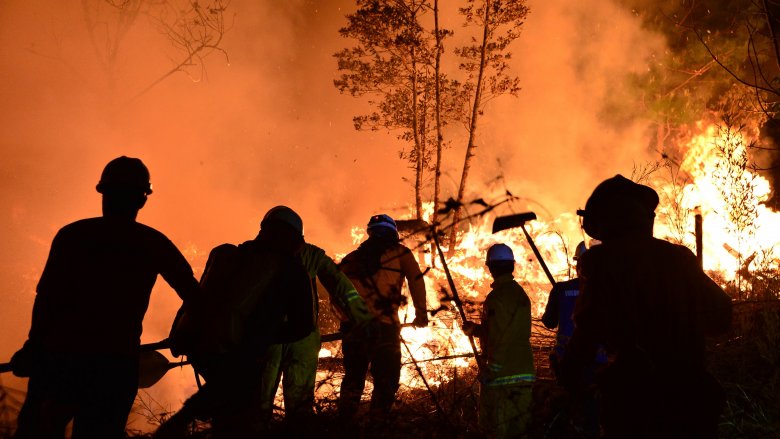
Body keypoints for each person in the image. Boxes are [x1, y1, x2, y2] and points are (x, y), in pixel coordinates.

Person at [10, 156, 199, 439]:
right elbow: (196, 297)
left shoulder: (72, 236)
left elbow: (47, 298)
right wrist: (186, 335)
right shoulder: (153, 243)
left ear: (103, 193)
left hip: (59, 361)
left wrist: (33, 347)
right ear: (142, 200)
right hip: (113, 367)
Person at [563, 174, 733, 439]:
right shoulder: (680, 259)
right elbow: (721, 318)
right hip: (691, 403)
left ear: (603, 223)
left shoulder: (604, 266)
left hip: (635, 406)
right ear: (645, 218)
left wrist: (569, 376)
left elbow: (587, 336)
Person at [154, 205, 317, 438]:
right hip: (242, 358)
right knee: (241, 422)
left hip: (203, 350)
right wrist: (266, 336)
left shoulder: (225, 255)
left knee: (222, 410)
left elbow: (195, 299)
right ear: (294, 239)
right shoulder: (291, 269)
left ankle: (183, 421)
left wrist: (178, 337)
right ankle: (180, 423)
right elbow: (303, 326)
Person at [256, 206, 374, 431]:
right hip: (303, 337)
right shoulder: (311, 254)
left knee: (258, 404)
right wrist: (364, 319)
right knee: (299, 406)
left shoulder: (253, 254)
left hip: (266, 338)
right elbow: (343, 289)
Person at [337, 214, 428, 426]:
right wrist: (421, 314)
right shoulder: (401, 253)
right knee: (386, 378)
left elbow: (337, 293)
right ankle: (378, 424)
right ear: (392, 233)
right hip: (384, 328)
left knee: (353, 377)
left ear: (370, 232)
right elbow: (416, 282)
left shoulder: (351, 258)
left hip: (354, 329)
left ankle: (344, 424)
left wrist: (345, 320)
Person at [463, 243, 535, 439]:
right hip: (524, 371)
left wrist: (492, 369)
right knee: (520, 431)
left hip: (503, 377)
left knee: (495, 430)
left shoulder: (497, 298)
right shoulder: (519, 294)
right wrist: (476, 330)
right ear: (512, 265)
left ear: (490, 267)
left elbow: (501, 336)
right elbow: (508, 329)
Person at [542, 240, 604, 438]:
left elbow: (549, 322)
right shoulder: (610, 291)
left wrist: (563, 302)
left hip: (566, 361)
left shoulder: (561, 289)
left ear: (578, 264)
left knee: (567, 412)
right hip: (601, 362)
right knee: (596, 413)